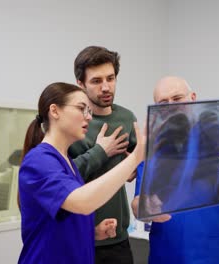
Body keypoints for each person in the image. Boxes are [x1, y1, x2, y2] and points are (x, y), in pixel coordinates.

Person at [131, 76, 219, 264]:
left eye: (177, 98)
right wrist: (146, 207)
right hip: (165, 253)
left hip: (212, 253)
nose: (171, 106)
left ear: (193, 98)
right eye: (163, 102)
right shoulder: (150, 147)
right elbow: (136, 204)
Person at [18, 82, 143, 264]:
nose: (89, 117)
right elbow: (84, 202)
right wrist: (136, 157)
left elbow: (59, 227)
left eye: (89, 111)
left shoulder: (68, 163)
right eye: (81, 109)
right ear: (55, 111)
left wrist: (93, 233)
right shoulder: (39, 161)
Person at [68, 46, 137, 264]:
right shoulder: (71, 122)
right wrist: (100, 152)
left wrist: (133, 168)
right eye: (96, 81)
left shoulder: (127, 118)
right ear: (81, 84)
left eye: (111, 78)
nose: (106, 87)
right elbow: (63, 176)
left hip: (118, 239)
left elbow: (137, 165)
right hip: (80, 238)